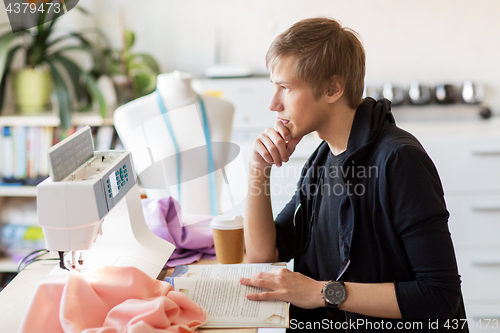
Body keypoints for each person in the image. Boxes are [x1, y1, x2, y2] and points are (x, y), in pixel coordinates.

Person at [239, 17, 468, 332]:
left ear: (333, 88)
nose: (273, 104)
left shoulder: (399, 161)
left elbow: (440, 297)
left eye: (285, 87)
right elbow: (264, 254)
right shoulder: (322, 159)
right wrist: (257, 169)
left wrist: (324, 293)